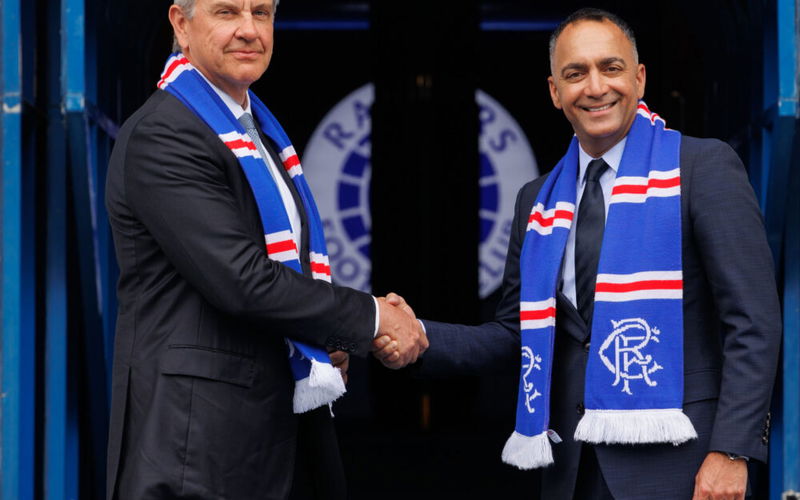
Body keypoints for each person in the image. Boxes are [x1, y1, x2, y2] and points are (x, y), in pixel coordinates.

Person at [376, 8, 781, 500]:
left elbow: (754, 322)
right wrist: (418, 336)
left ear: (639, 77)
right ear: (554, 91)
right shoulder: (537, 200)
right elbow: (513, 334)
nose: (595, 87)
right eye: (575, 73)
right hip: (572, 470)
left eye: (610, 68)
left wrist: (733, 452)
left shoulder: (702, 168)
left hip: (684, 469)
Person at [104, 1, 426, 499]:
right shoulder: (166, 133)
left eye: (262, 12)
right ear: (180, 23)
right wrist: (372, 318)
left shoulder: (258, 132)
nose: (249, 30)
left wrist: (324, 335)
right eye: (227, 12)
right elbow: (244, 281)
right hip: (199, 454)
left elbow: (279, 273)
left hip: (269, 439)